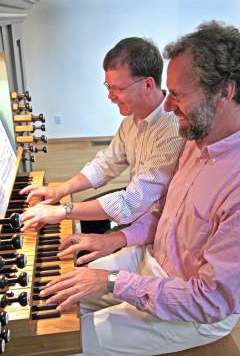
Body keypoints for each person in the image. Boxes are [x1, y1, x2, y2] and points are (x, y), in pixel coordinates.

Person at [37, 21, 240, 356]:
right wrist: (113, 240)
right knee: (48, 298)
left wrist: (114, 282)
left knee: (58, 342)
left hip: (192, 309)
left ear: (225, 91)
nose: (170, 107)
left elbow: (211, 300)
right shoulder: (196, 141)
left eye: (176, 94)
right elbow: (163, 214)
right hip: (150, 259)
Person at [20, 37, 184, 234]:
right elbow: (106, 164)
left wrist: (63, 210)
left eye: (118, 88)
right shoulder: (130, 122)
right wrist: (60, 190)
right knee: (88, 216)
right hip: (139, 203)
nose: (110, 96)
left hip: (161, 221)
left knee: (89, 228)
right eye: (109, 87)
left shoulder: (173, 129)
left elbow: (132, 203)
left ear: (148, 85)